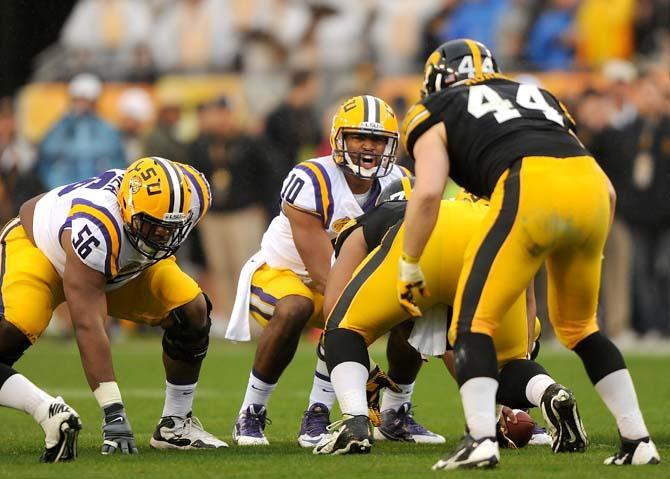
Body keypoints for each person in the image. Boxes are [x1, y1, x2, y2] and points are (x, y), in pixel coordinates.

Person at [397, 39, 659, 469]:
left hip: (527, 186)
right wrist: (588, 250)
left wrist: (409, 263)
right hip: (593, 193)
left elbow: (427, 193)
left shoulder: (434, 108)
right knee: (580, 328)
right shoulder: (538, 95)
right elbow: (607, 189)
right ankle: (637, 440)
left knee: (472, 323)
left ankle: (480, 439)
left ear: (438, 81)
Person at [226, 95, 440, 447]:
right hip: (285, 275)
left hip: (351, 279)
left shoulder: (402, 182)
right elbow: (327, 277)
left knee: (414, 307)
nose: (369, 147)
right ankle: (259, 412)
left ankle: (395, 414)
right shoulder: (312, 178)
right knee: (308, 309)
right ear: (339, 139)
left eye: (378, 140)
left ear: (392, 145)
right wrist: (360, 350)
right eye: (359, 137)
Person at [314, 178, 580, 455]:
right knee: (506, 362)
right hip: (494, 239)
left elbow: (334, 310)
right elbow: (522, 306)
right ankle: (547, 391)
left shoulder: (375, 220)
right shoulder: (478, 211)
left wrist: (362, 367)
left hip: (420, 245)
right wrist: (498, 400)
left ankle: (355, 422)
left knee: (343, 329)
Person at [0, 156, 228, 455]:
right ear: (127, 210)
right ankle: (43, 407)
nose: (163, 235)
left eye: (170, 228)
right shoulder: (96, 224)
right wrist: (113, 413)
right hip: (41, 252)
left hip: (123, 265)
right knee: (16, 329)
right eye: (154, 226)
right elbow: (88, 325)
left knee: (191, 308)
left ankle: (176, 425)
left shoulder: (194, 192)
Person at [36, 73, 126, 190]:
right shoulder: (61, 126)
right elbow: (47, 152)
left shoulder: (107, 129)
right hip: (65, 191)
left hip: (98, 192)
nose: (82, 105)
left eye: (86, 100)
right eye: (78, 100)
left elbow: (117, 163)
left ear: (94, 102)